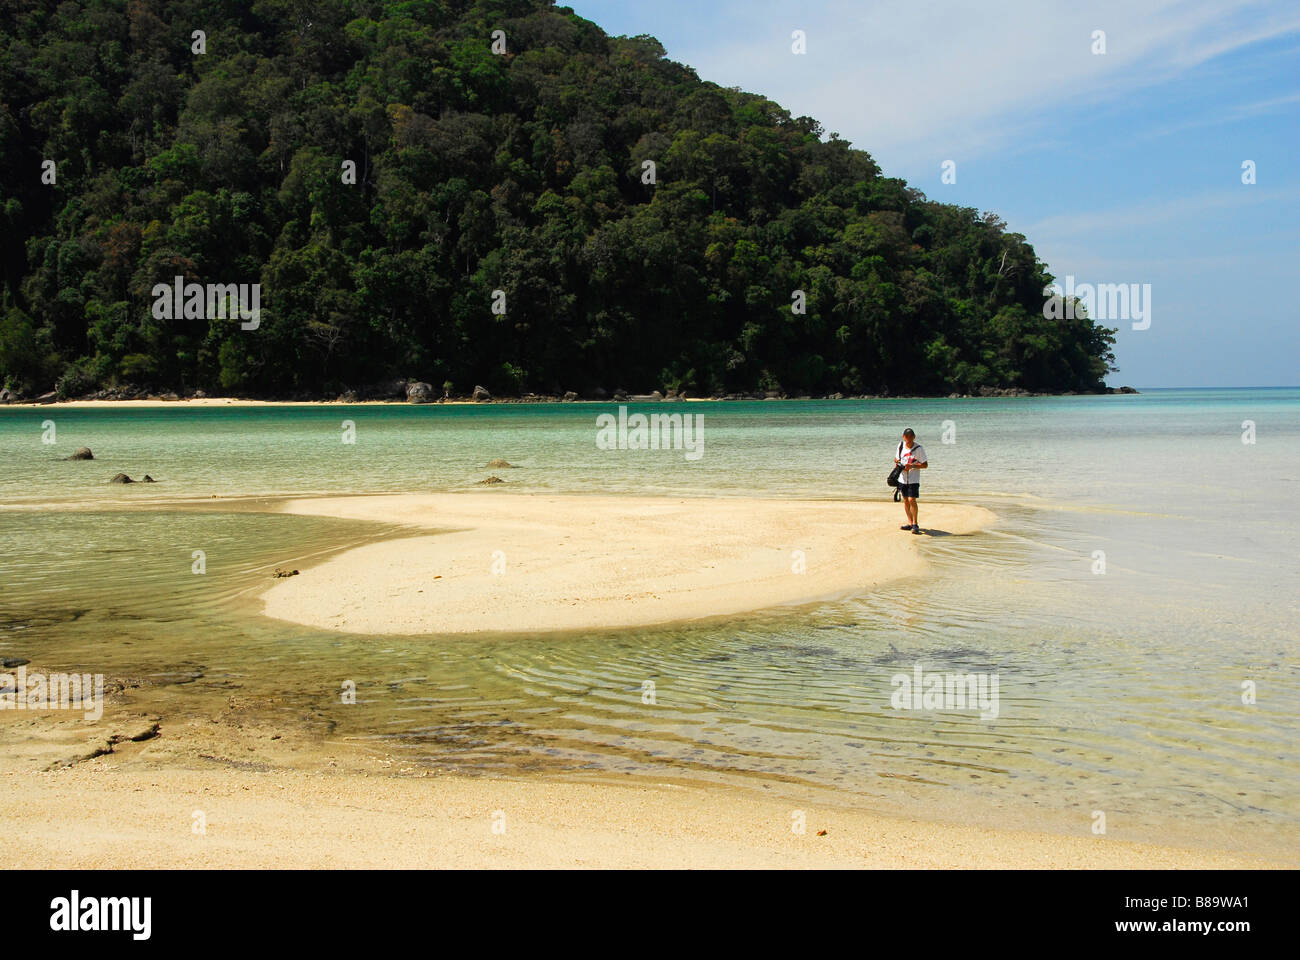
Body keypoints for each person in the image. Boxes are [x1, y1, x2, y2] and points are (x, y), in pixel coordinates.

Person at [894, 428, 927, 534]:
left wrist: (912, 465)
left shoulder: (919, 449)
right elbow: (895, 459)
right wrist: (898, 462)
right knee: (906, 500)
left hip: (913, 478)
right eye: (906, 437)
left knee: (912, 499)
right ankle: (909, 523)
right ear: (903, 437)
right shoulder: (900, 446)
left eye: (910, 437)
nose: (908, 439)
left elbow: (925, 465)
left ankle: (915, 523)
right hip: (902, 478)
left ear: (914, 437)